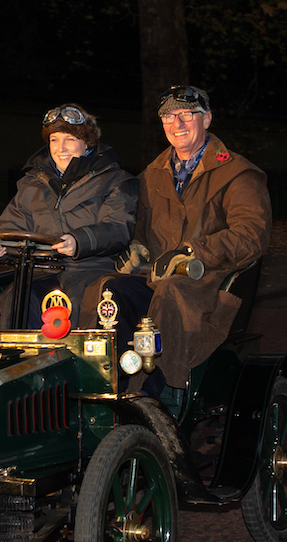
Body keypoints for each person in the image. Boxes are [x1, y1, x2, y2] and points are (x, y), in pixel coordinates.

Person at [94, 85, 272, 398]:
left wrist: (191, 252)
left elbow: (252, 235)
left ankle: (154, 394)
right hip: (156, 277)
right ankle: (105, 382)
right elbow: (141, 227)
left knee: (171, 290)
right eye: (169, 116)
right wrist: (136, 246)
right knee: (108, 289)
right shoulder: (152, 174)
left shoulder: (238, 173)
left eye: (188, 114)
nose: (178, 123)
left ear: (207, 119)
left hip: (209, 281)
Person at [0, 103, 137, 328]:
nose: (60, 148)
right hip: (39, 270)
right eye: (54, 140)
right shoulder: (32, 183)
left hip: (91, 270)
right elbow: (12, 223)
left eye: (70, 140)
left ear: (88, 143)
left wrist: (79, 241)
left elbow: (119, 227)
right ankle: (15, 358)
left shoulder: (115, 181)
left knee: (76, 309)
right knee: (14, 304)